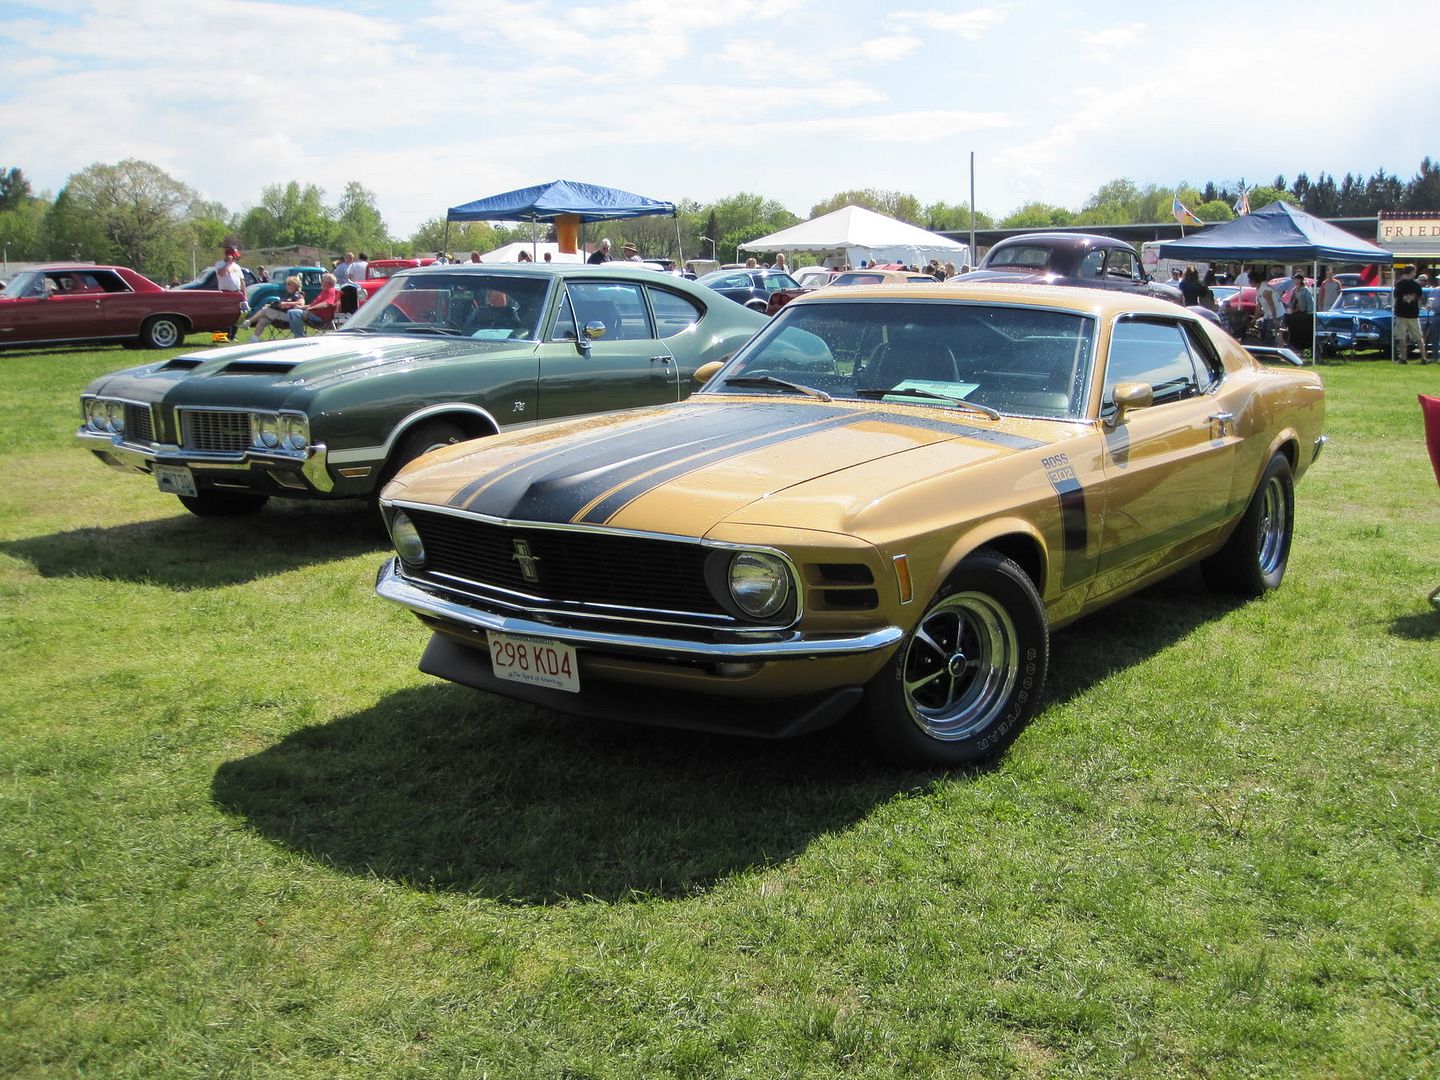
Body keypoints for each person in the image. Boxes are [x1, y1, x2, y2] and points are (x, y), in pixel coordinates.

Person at [246, 274, 305, 339]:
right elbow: (282, 304)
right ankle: (254, 338)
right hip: (280, 316)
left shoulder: (298, 294)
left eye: (289, 284)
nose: (287, 286)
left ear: (295, 285)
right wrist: (275, 305)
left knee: (265, 310)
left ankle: (248, 322)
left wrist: (285, 303)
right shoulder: (288, 295)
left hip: (291, 318)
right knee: (263, 320)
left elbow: (301, 303)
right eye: (286, 284)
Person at [287, 272, 340, 337]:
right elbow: (312, 305)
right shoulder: (324, 291)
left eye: (322, 281)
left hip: (320, 318)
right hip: (313, 314)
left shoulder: (331, 291)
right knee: (291, 311)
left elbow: (326, 304)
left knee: (294, 313)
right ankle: (297, 334)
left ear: (327, 283)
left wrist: (310, 309)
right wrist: (301, 307)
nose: (321, 283)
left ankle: (299, 336)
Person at [1392, 265, 1427, 363]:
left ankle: (1403, 358)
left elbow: (1395, 296)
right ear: (1411, 272)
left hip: (1401, 313)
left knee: (1401, 337)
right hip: (1413, 313)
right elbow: (1420, 296)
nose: (1415, 273)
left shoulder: (1399, 284)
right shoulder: (1416, 285)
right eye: (1414, 271)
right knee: (1418, 337)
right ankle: (1423, 357)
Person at [214, 248, 247, 341]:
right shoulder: (220, 264)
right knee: (224, 316)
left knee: (236, 315)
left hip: (237, 293)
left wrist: (244, 295)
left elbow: (242, 281)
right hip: (225, 293)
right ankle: (220, 338)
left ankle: (233, 336)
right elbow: (221, 273)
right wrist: (228, 263)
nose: (235, 258)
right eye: (233, 256)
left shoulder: (237, 266)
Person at [1286, 272, 1315, 355]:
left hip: (1304, 315)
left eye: (1296, 279)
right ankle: (1294, 349)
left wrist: (1309, 314)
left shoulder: (1305, 290)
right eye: (1294, 279)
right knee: (1294, 332)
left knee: (1302, 333)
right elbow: (1291, 301)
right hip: (1295, 314)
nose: (1294, 280)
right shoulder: (1294, 289)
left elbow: (1310, 302)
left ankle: (1302, 349)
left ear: (1300, 280)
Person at [1256, 274, 1284, 344]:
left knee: (1269, 335)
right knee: (1263, 333)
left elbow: (1272, 305)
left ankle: (1272, 347)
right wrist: (1254, 318)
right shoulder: (1259, 289)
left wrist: (1274, 319)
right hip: (1268, 314)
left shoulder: (1266, 290)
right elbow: (1259, 305)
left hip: (1276, 314)